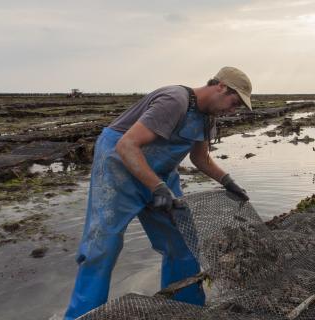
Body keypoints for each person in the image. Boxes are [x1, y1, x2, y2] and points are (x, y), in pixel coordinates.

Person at [64, 66, 252, 320]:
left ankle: (186, 309)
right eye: (234, 101)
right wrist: (158, 188)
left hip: (159, 176)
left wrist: (228, 181)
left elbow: (200, 157)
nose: (233, 109)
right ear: (220, 86)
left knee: (183, 242)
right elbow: (126, 145)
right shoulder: (174, 100)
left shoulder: (207, 117)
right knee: (102, 247)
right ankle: (83, 315)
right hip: (117, 170)